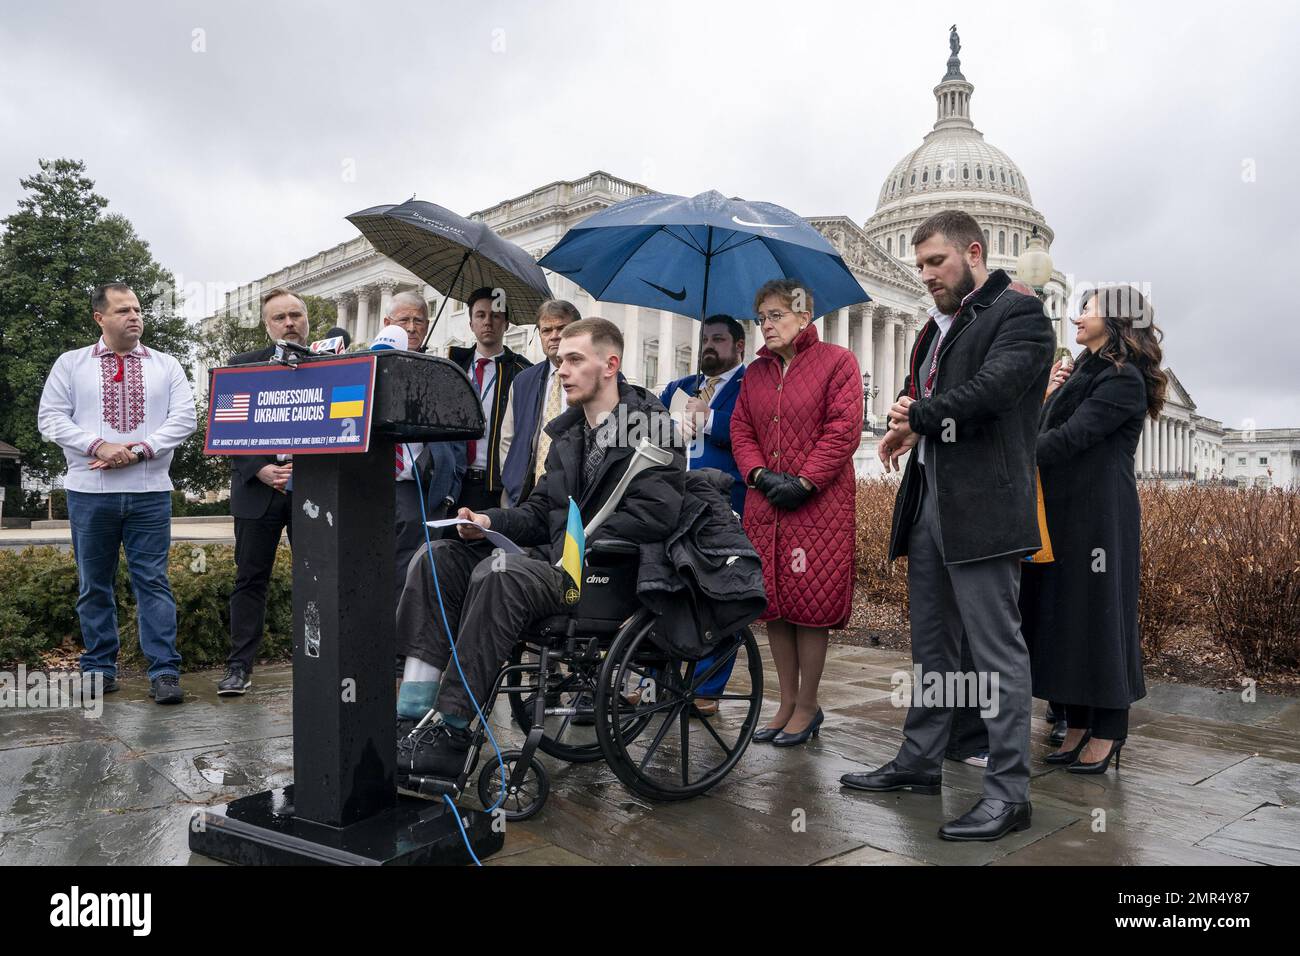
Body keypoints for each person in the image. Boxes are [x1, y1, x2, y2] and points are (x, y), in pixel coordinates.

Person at [840, 209, 1053, 843]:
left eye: (937, 262)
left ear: (975, 251)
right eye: (921, 264)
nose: (926, 275)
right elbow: (925, 397)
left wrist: (922, 414)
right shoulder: (933, 331)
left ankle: (1010, 792)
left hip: (986, 504)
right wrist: (906, 414)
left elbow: (993, 392)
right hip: (931, 496)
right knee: (933, 645)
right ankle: (920, 760)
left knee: (995, 651)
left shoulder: (1020, 315)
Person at [393, 318, 684, 780]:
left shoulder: (653, 427)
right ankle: (413, 714)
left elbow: (657, 516)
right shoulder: (568, 435)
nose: (561, 369)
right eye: (559, 359)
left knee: (502, 573)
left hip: (603, 577)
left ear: (610, 365)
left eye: (574, 359)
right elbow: (538, 509)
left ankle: (449, 730)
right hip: (553, 566)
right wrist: (488, 521)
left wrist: (579, 537)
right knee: (438, 559)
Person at [37, 282, 197, 704]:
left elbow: (185, 419)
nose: (135, 316)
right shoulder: (71, 364)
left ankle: (164, 671)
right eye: (124, 310)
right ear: (99, 317)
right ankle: (98, 669)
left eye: (139, 309)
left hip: (150, 491)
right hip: (90, 492)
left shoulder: (167, 365)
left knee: (154, 583)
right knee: (95, 584)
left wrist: (139, 450)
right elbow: (50, 419)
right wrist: (99, 446)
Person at [1026, 284, 1163, 774]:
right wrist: (1052, 391)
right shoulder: (1081, 371)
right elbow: (1047, 426)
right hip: (1063, 513)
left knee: (1101, 617)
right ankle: (1078, 724)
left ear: (1119, 321)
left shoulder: (1123, 379)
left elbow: (1070, 439)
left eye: (1087, 309)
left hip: (1100, 515)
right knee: (1066, 619)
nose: (1076, 316)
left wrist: (1007, 451)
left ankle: (1109, 730)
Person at [731, 280, 863, 747]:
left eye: (775, 315)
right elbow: (741, 428)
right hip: (766, 503)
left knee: (811, 606)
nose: (766, 325)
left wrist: (804, 480)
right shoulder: (756, 373)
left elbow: (844, 429)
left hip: (818, 505)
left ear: (804, 317)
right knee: (775, 607)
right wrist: (760, 476)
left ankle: (808, 705)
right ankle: (785, 702)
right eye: (761, 317)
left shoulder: (838, 362)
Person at [220, 287, 308, 696]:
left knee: (319, 578)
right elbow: (227, 430)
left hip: (312, 492)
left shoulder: (333, 365)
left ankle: (319, 662)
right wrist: (260, 469)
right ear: (266, 324)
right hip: (258, 492)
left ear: (306, 319)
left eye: (296, 315)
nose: (289, 323)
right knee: (250, 579)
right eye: (280, 317)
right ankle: (239, 667)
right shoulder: (241, 367)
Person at [660, 314, 748, 716]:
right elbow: (650, 433)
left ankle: (706, 689)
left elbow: (758, 433)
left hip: (727, 505)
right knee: (665, 592)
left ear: (739, 347)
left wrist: (708, 418)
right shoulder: (680, 387)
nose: (709, 346)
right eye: (705, 339)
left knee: (719, 595)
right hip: (675, 502)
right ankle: (657, 683)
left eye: (718, 339)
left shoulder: (753, 387)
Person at [380, 293, 467, 607]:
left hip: (424, 492)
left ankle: (404, 652)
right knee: (377, 570)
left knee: (415, 576)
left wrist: (449, 492)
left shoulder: (442, 373)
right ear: (388, 324)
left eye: (419, 320)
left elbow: (458, 440)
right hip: (376, 488)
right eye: (404, 320)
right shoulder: (370, 368)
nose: (413, 327)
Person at [448, 287, 531, 512]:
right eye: (481, 315)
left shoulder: (523, 373)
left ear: (506, 323)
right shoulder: (452, 368)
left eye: (495, 316)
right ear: (471, 323)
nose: (488, 322)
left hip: (498, 487)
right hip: (453, 485)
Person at [499, 299, 581, 506]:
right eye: (546, 330)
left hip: (575, 493)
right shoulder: (523, 381)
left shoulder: (595, 378)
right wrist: (511, 479)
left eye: (562, 328)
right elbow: (508, 438)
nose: (554, 336)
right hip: (525, 493)